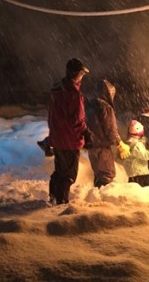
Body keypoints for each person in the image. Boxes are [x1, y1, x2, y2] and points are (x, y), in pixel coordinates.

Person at [47, 58, 93, 205]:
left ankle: (53, 196)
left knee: (59, 170)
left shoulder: (57, 91)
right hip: (70, 140)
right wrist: (86, 132)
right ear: (77, 74)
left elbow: (52, 116)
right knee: (69, 174)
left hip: (57, 138)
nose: (82, 78)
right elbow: (77, 120)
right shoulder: (74, 94)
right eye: (81, 74)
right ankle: (62, 201)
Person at [85, 79, 130, 188]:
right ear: (109, 93)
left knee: (98, 174)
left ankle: (95, 198)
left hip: (91, 147)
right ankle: (103, 203)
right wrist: (119, 143)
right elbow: (111, 129)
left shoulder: (88, 105)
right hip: (102, 147)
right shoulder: (106, 107)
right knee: (107, 174)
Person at [122, 120, 149, 187]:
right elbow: (145, 155)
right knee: (141, 192)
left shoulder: (129, 143)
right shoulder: (137, 145)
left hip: (132, 174)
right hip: (139, 173)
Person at [137, 106, 149, 184]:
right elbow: (148, 138)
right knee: (147, 177)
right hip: (146, 154)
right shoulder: (146, 121)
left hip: (140, 154)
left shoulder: (138, 119)